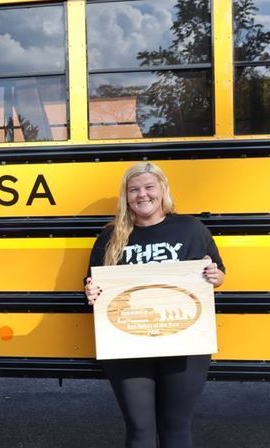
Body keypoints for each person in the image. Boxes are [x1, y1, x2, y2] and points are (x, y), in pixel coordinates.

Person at [84, 162, 225, 448]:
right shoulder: (110, 237)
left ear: (162, 190)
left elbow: (218, 273)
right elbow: (93, 283)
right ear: (126, 196)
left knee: (176, 429)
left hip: (185, 344)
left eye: (149, 187)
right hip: (127, 346)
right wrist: (91, 291)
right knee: (140, 430)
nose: (142, 195)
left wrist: (215, 275)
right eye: (133, 189)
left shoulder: (191, 229)